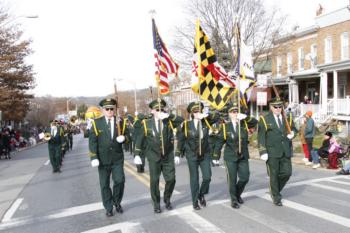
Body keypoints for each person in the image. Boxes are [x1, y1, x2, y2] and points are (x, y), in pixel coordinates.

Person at [134, 99, 183, 213]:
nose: (160, 111)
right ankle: (156, 203)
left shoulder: (168, 121)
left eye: (162, 109)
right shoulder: (146, 123)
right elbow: (140, 139)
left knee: (171, 179)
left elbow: (181, 120)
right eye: (157, 109)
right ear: (152, 111)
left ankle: (167, 198)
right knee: (154, 181)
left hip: (167, 156)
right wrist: (137, 154)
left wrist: (168, 115)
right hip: (153, 156)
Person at [89, 98, 128, 217]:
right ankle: (108, 207)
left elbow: (128, 135)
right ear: (102, 110)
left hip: (117, 158)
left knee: (120, 181)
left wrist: (125, 138)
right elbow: (92, 142)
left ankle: (117, 202)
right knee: (104, 185)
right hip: (102, 159)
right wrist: (94, 157)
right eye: (107, 109)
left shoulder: (120, 121)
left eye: (112, 108)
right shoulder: (96, 123)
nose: (110, 111)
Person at [214, 102, 257, 209]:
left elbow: (256, 122)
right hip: (230, 157)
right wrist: (215, 156)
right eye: (233, 112)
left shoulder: (244, 124)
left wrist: (246, 117)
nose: (235, 113)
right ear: (229, 114)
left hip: (243, 156)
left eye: (236, 111)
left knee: (245, 177)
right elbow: (219, 143)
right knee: (232, 179)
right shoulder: (225, 127)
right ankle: (233, 199)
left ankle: (237, 194)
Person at [175, 102, 217, 210]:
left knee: (207, 177)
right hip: (192, 155)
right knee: (194, 179)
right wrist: (177, 154)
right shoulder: (186, 125)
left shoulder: (206, 121)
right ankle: (195, 202)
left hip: (205, 154)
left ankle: (201, 194)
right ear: (192, 113)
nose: (198, 113)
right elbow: (181, 140)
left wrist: (207, 115)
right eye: (195, 112)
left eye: (199, 111)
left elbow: (217, 116)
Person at [258, 97, 297, 206]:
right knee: (274, 175)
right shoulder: (265, 120)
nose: (278, 108)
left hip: (285, 151)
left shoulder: (287, 118)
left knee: (287, 173)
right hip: (272, 152)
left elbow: (294, 128)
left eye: (280, 106)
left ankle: (274, 189)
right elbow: (261, 137)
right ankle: (276, 196)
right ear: (271, 107)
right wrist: (262, 151)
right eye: (276, 107)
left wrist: (293, 133)